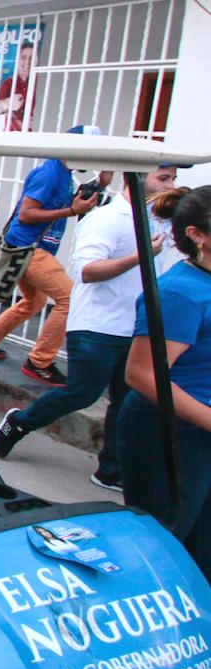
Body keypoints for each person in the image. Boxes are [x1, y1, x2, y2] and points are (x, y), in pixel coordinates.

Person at [0, 165, 179, 492]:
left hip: (134, 326)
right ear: (136, 177)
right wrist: (140, 256)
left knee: (126, 398)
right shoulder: (106, 219)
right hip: (97, 325)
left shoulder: (154, 219)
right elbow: (88, 271)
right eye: (164, 177)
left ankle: (110, 470)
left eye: (173, 178)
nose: (171, 184)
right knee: (83, 392)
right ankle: (18, 423)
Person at [117, 186, 211, 580]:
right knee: (162, 549)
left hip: (200, 430)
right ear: (197, 235)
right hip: (167, 433)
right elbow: (141, 373)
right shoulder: (180, 292)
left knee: (201, 551)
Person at [0, 125, 103, 386]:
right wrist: (72, 211)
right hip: (30, 249)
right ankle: (40, 362)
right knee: (70, 298)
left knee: (34, 300)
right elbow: (27, 214)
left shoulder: (62, 173)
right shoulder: (51, 173)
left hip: (28, 248)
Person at [0, 42, 36, 132]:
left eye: (31, 58)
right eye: (24, 58)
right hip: (10, 134)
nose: (27, 62)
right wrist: (8, 103)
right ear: (18, 60)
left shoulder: (37, 82)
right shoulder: (9, 83)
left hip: (30, 135)